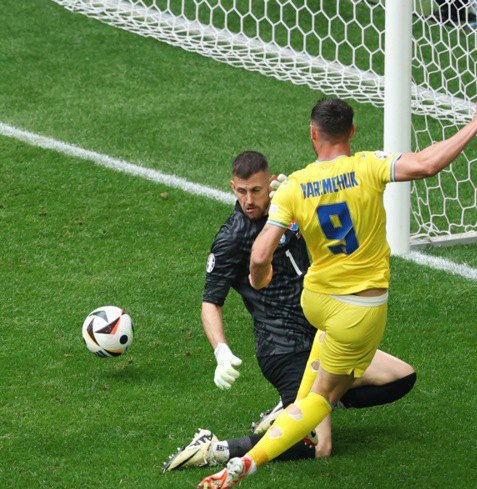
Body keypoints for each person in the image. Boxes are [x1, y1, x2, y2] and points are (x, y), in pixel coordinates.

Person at [196, 96, 477, 489]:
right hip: (357, 312)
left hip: (317, 302)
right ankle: (245, 461)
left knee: (324, 379)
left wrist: (260, 275)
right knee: (323, 400)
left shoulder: (295, 185)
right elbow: (429, 163)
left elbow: (260, 254)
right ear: (352, 132)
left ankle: (286, 411)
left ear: (312, 134)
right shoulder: (369, 165)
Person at [162, 151, 416, 472]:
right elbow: (211, 302)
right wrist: (221, 350)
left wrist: (301, 199)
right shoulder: (233, 237)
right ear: (232, 187)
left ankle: (294, 405)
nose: (249, 200)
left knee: (401, 378)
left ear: (269, 184)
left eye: (255, 190)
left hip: (324, 333)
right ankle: (215, 449)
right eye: (241, 191)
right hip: (285, 350)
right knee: (319, 446)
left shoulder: (290, 206)